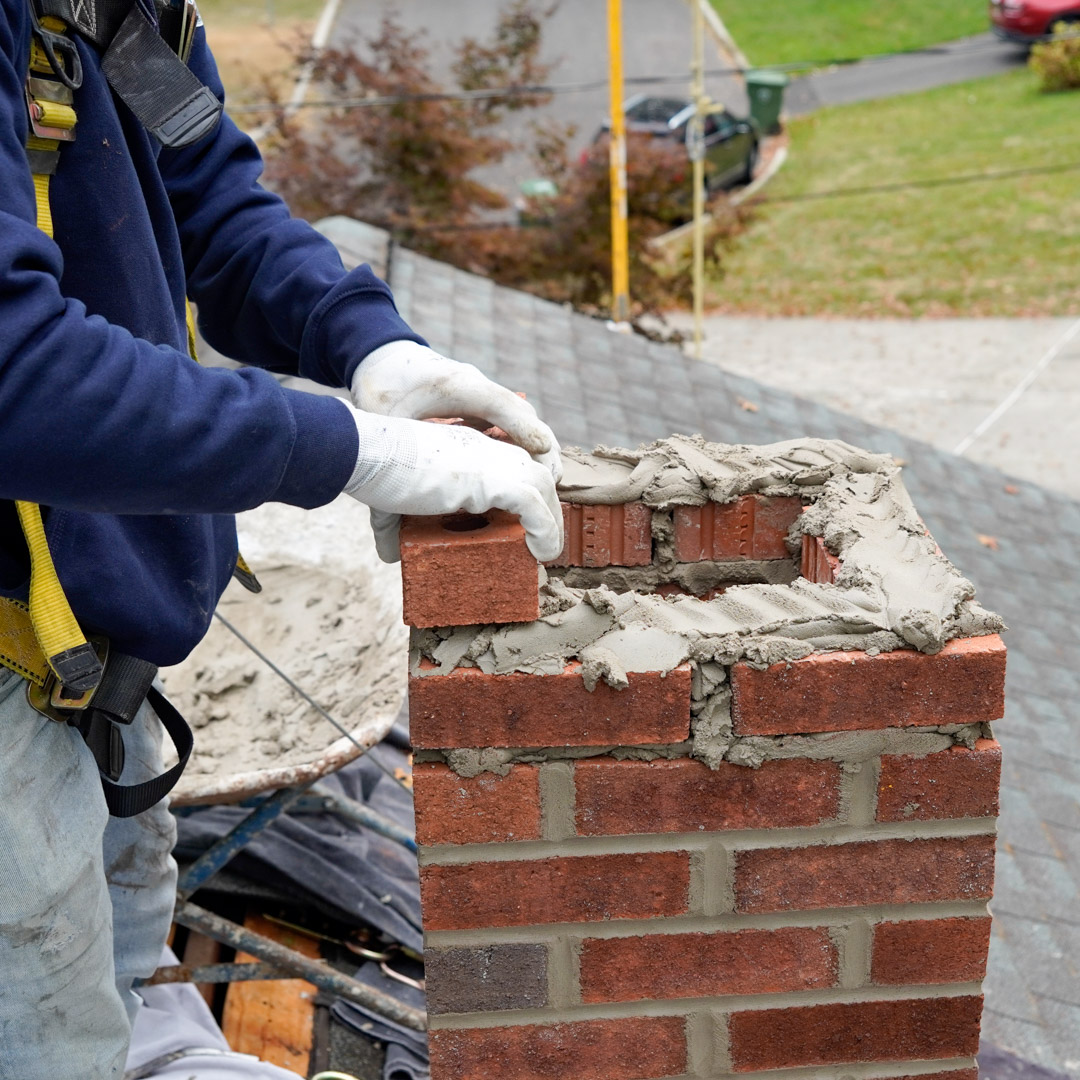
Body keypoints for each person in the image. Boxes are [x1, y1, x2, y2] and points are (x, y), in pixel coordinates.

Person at [0, 0, 564, 1075]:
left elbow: (201, 193)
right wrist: (347, 450)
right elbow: (14, 376)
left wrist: (367, 345)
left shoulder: (111, 6)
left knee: (116, 1001)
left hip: (96, 657)